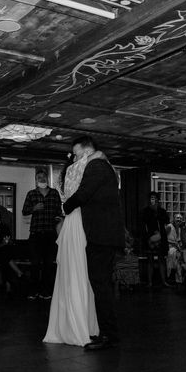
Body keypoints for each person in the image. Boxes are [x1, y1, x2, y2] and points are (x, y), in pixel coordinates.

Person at [62, 136, 124, 351]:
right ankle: (105, 332)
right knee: (100, 284)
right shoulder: (102, 165)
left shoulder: (96, 165)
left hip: (102, 235)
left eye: (77, 154)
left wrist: (65, 207)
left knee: (101, 284)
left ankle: (109, 335)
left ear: (87, 151)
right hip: (102, 235)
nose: (75, 158)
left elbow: (84, 193)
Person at [44, 148, 101, 347]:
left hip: (74, 223)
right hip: (77, 224)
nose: (80, 158)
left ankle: (77, 324)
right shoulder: (78, 171)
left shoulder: (70, 174)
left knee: (76, 274)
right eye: (77, 156)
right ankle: (82, 326)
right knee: (78, 273)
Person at [22, 169, 62, 300]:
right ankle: (33, 291)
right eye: (39, 177)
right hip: (36, 234)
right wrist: (34, 208)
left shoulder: (54, 193)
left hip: (50, 235)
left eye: (43, 176)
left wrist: (59, 219)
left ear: (47, 178)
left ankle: (45, 291)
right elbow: (24, 211)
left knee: (48, 264)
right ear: (36, 180)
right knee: (34, 264)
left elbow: (58, 212)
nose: (41, 179)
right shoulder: (31, 194)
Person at [140, 191, 170, 287]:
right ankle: (149, 282)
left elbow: (166, 221)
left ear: (158, 199)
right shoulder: (145, 211)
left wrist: (157, 210)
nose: (153, 199)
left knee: (161, 259)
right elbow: (143, 224)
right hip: (149, 237)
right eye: (151, 198)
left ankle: (164, 281)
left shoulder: (162, 211)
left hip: (161, 236)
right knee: (150, 260)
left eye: (154, 198)